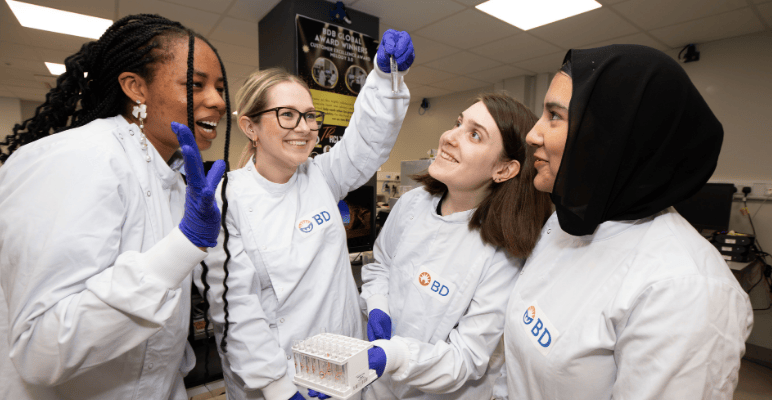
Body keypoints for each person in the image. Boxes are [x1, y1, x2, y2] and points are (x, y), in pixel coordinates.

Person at [0, 14, 231, 400]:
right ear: (135, 87)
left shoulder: (170, 176)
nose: (218, 101)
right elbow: (40, 349)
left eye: (221, 88)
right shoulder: (77, 158)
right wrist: (183, 246)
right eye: (196, 84)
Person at [503, 44, 754, 400]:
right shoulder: (566, 223)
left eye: (554, 116)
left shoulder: (686, 289)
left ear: (609, 138)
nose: (532, 134)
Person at [193, 29, 414, 400]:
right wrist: (278, 388)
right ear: (250, 127)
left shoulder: (320, 177)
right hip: (277, 376)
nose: (305, 128)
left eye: (310, 116)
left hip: (346, 364)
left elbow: (366, 143)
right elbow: (234, 310)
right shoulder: (226, 198)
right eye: (287, 115)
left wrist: (384, 77)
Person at [358, 92, 553, 400]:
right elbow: (381, 264)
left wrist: (397, 356)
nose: (449, 136)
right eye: (458, 123)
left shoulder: (502, 253)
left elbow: (465, 359)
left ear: (503, 170)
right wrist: (378, 303)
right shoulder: (412, 203)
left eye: (474, 135)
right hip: (376, 387)